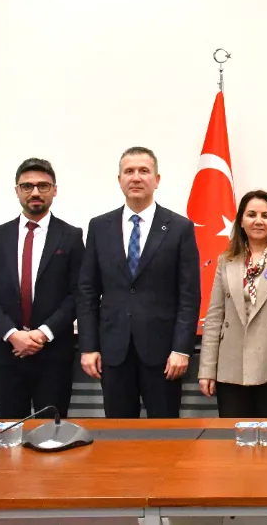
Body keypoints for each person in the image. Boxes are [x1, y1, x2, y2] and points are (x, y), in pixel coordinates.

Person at [77, 147, 201, 418]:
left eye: (144, 171)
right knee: (119, 434)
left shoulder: (179, 228)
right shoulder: (99, 227)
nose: (136, 177)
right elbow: (87, 292)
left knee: (164, 433)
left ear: (157, 179)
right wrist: (89, 346)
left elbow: (189, 296)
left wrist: (181, 349)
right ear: (119, 179)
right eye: (129, 171)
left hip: (164, 355)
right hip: (113, 352)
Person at [0, 158, 84, 419]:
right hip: (6, 353)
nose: (35, 192)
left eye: (43, 186)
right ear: (17, 191)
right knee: (9, 433)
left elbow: (78, 294)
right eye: (27, 186)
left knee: (51, 433)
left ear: (54, 190)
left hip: (53, 355)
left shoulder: (71, 236)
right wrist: (13, 335)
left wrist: (42, 334)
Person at [197, 190, 267, 418]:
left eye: (265, 216)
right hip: (231, 366)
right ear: (241, 221)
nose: (258, 221)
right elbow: (215, 316)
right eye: (251, 215)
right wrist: (206, 369)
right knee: (235, 436)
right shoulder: (226, 260)